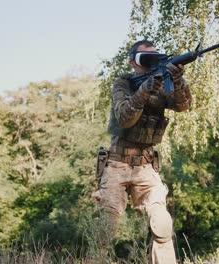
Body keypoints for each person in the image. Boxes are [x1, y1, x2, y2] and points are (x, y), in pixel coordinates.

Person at [93, 40, 192, 264]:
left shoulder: (164, 80)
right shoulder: (124, 83)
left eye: (154, 57)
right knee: (103, 229)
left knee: (162, 225)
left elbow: (184, 105)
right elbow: (125, 118)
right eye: (145, 58)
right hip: (117, 162)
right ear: (133, 62)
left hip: (146, 165)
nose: (150, 62)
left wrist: (177, 79)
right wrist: (145, 90)